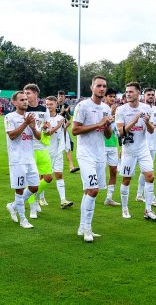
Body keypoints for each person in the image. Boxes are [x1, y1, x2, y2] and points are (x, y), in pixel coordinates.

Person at [72, 75, 113, 242]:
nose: (102, 89)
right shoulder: (82, 106)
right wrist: (99, 123)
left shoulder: (107, 108)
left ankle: (82, 227)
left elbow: (108, 135)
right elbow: (75, 130)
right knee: (93, 189)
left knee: (89, 191)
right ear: (92, 87)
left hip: (99, 153)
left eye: (104, 86)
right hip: (85, 153)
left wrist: (108, 124)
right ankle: (88, 229)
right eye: (98, 86)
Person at [115, 82, 156, 221]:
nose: (128, 94)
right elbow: (121, 132)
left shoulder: (147, 108)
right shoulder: (121, 110)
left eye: (131, 92)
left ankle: (148, 210)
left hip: (143, 148)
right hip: (129, 150)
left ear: (138, 93)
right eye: (127, 91)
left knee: (150, 177)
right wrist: (135, 120)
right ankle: (124, 208)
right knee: (126, 180)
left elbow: (152, 130)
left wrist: (147, 122)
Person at [5, 91, 40, 229]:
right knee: (19, 190)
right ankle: (23, 219)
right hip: (17, 159)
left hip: (30, 158)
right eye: (21, 100)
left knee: (34, 187)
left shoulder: (31, 117)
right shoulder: (9, 117)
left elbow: (38, 137)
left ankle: (13, 206)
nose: (25, 102)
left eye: (26, 99)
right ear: (14, 102)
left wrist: (32, 126)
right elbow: (12, 135)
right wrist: (26, 123)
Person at [23, 84, 52, 219]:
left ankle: (31, 196)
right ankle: (32, 207)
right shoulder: (23, 109)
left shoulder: (43, 109)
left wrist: (46, 128)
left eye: (28, 93)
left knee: (48, 178)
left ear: (35, 94)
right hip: (28, 148)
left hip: (42, 147)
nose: (26, 96)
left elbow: (47, 127)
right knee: (31, 181)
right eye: (25, 93)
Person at [45, 96, 73, 209]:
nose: (49, 106)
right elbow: (47, 133)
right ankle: (40, 198)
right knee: (44, 177)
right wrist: (58, 126)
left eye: (51, 104)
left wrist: (65, 127)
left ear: (56, 105)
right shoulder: (44, 118)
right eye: (47, 104)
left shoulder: (60, 118)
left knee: (59, 175)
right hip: (46, 151)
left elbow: (62, 134)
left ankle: (63, 200)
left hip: (57, 151)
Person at [103, 88, 121, 206]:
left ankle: (109, 198)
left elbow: (117, 129)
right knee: (96, 172)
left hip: (113, 145)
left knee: (113, 171)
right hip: (101, 145)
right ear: (105, 97)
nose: (112, 99)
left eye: (114, 97)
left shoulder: (116, 111)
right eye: (110, 96)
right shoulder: (101, 110)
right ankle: (89, 195)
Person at [57, 91, 79, 174]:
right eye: (59, 96)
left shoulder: (66, 106)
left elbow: (69, 118)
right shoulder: (54, 104)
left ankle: (71, 167)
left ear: (64, 97)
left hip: (64, 128)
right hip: (54, 129)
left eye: (62, 96)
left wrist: (66, 112)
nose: (61, 97)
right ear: (57, 96)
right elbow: (52, 117)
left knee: (67, 147)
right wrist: (62, 112)